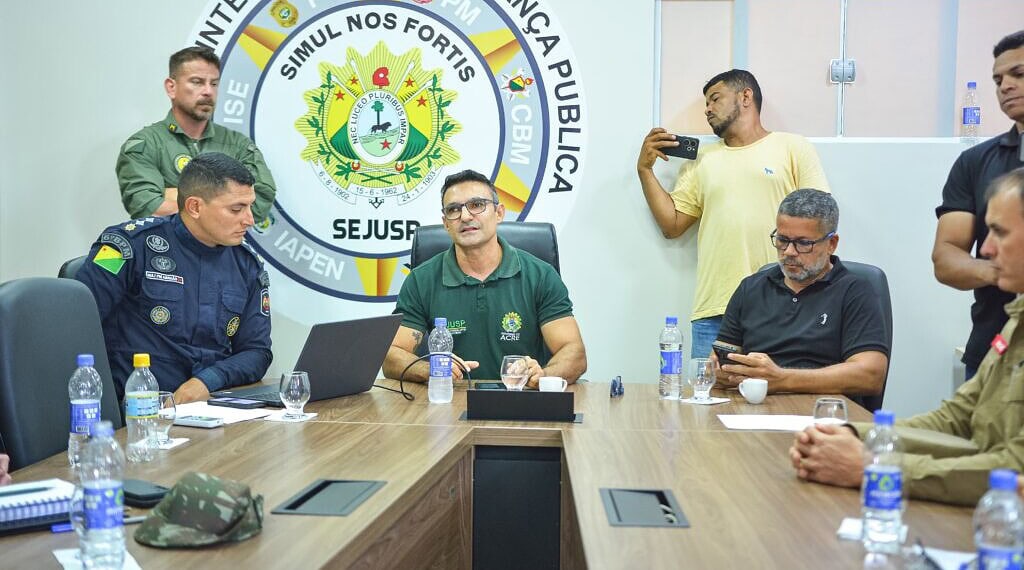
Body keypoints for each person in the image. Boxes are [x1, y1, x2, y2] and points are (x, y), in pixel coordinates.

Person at [791, 168, 1024, 506]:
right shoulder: (1016, 318)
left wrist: (876, 467)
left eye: (999, 233)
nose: (984, 249)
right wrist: (851, 434)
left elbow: (1013, 468)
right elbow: (956, 418)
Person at [636, 69, 830, 360]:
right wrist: (645, 170)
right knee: (706, 403)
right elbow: (672, 224)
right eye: (706, 104)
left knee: (783, 400)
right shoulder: (703, 159)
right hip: (716, 310)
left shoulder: (793, 147)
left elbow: (822, 216)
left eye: (715, 99)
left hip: (785, 304)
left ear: (746, 96)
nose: (707, 109)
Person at [77, 152, 272, 404]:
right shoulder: (128, 246)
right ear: (195, 207)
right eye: (237, 209)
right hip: (137, 412)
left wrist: (207, 380)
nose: (250, 220)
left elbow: (256, 351)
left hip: (212, 408)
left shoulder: (246, 264)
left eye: (250, 206)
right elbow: (75, 327)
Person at [383, 169, 587, 388]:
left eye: (477, 205)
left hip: (521, 401)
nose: (465, 216)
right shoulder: (421, 280)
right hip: (450, 404)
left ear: (499, 213)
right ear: (446, 224)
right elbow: (390, 356)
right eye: (453, 209)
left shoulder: (540, 275)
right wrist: (432, 369)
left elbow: (574, 353)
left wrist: (542, 375)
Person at [712, 189, 889, 397]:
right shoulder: (750, 288)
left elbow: (870, 375)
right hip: (754, 408)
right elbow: (721, 359)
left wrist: (782, 379)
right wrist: (720, 372)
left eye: (803, 243)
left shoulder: (855, 292)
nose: (788, 252)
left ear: (831, 244)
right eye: (782, 240)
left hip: (823, 414)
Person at [932, 30, 1024, 381]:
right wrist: (1005, 272)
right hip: (992, 345)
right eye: (998, 79)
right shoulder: (975, 162)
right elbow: (946, 257)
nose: (1005, 86)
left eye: (1019, 74)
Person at [116, 47, 276, 222]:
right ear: (171, 88)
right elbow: (148, 207)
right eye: (197, 82)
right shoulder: (146, 145)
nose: (208, 91)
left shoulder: (238, 145)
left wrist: (175, 195)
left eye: (214, 83)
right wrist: (227, 203)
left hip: (224, 249)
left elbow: (260, 203)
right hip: (168, 248)